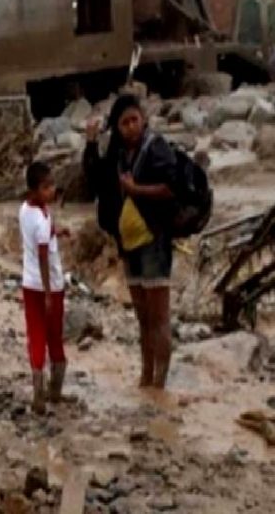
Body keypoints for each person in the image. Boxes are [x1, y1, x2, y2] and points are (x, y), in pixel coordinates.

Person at [84, 94, 177, 389]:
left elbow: (171, 188)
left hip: (154, 241)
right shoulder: (118, 156)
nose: (130, 127)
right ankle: (146, 377)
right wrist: (89, 142)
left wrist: (136, 190)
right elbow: (95, 180)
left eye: (134, 120)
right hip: (129, 244)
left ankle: (160, 383)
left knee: (159, 317)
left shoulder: (156, 149)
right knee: (142, 317)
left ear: (144, 119)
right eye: (124, 123)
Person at [19, 161, 69, 414]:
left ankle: (39, 390)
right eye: (46, 187)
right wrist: (49, 292)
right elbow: (42, 255)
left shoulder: (26, 210)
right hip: (49, 286)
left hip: (29, 285)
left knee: (35, 336)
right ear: (34, 190)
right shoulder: (40, 219)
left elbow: (41, 236)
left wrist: (57, 231)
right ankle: (55, 391)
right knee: (54, 337)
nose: (52, 190)